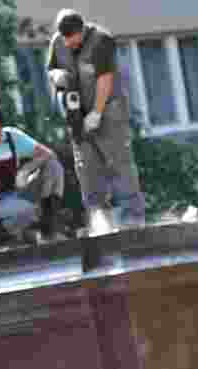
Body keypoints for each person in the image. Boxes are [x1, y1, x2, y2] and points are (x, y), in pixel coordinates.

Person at [46, 9, 145, 229]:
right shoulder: (58, 42)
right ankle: (101, 223)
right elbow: (51, 69)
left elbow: (105, 79)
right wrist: (57, 76)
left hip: (108, 112)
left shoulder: (102, 40)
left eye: (73, 39)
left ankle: (133, 221)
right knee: (87, 170)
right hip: (76, 118)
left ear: (81, 31)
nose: (69, 44)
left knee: (119, 164)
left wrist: (97, 113)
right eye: (65, 39)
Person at [0, 100, 65, 254]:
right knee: (29, 210)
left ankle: (48, 232)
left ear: (0, 126)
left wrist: (26, 170)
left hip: (17, 193)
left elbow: (48, 155)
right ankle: (0, 236)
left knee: (54, 167)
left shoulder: (13, 137)